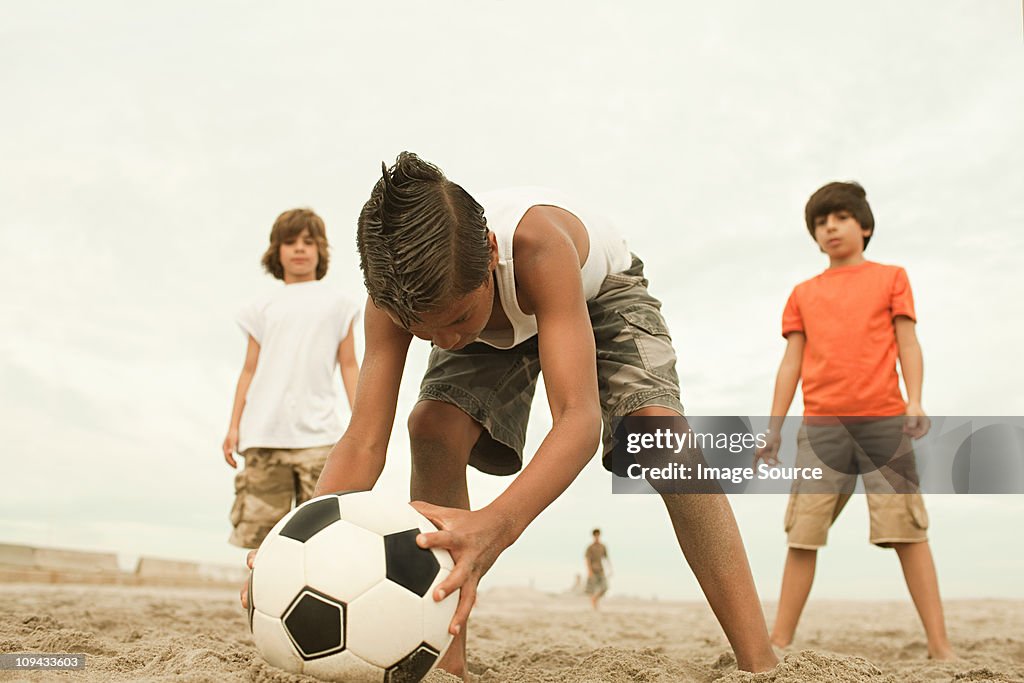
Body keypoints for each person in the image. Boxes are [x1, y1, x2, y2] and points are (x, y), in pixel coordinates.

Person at [246, 153, 777, 677]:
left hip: (596, 292)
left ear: (491, 252)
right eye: (425, 332)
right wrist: (295, 543)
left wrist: (494, 526)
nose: (445, 341)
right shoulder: (400, 298)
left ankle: (759, 660)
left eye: (454, 321)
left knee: (660, 438)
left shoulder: (537, 242)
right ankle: (448, 663)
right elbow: (363, 440)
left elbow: (578, 420)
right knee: (431, 426)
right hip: (480, 305)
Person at [754, 182, 955, 660]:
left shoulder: (892, 278)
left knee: (908, 532)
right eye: (821, 222)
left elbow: (908, 343)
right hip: (820, 428)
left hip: (886, 422)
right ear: (814, 235)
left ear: (864, 226)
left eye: (841, 217)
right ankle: (778, 640)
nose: (831, 226)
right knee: (803, 534)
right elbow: (791, 363)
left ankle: (940, 646)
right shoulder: (803, 293)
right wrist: (774, 427)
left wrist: (916, 400)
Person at [223, 208, 360, 549]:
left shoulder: (339, 303)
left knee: (321, 535)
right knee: (262, 540)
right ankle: (259, 599)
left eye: (308, 242)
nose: (300, 248)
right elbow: (249, 369)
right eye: (290, 242)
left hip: (319, 438)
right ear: (276, 251)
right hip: (264, 436)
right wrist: (234, 426)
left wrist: (362, 422)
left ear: (320, 250)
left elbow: (349, 365)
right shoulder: (261, 306)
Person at [584, 528, 611, 609]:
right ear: (593, 536)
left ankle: (595, 599)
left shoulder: (603, 546)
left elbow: (606, 558)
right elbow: (587, 559)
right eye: (595, 535)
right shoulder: (590, 547)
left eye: (598, 535)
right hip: (593, 570)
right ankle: (594, 606)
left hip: (601, 570)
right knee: (592, 589)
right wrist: (589, 571)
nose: (597, 537)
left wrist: (610, 568)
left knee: (604, 587)